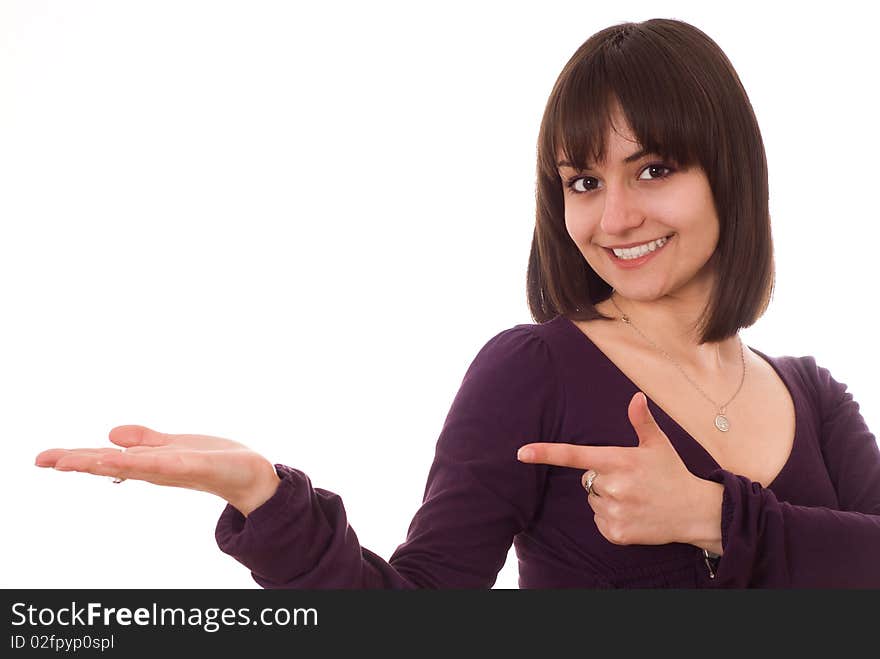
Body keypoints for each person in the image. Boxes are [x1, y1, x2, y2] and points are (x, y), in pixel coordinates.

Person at [34, 18, 880, 588]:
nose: (614, 216)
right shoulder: (532, 372)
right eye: (583, 181)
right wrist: (269, 501)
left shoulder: (813, 394)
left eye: (653, 169)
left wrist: (714, 518)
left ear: (729, 174)